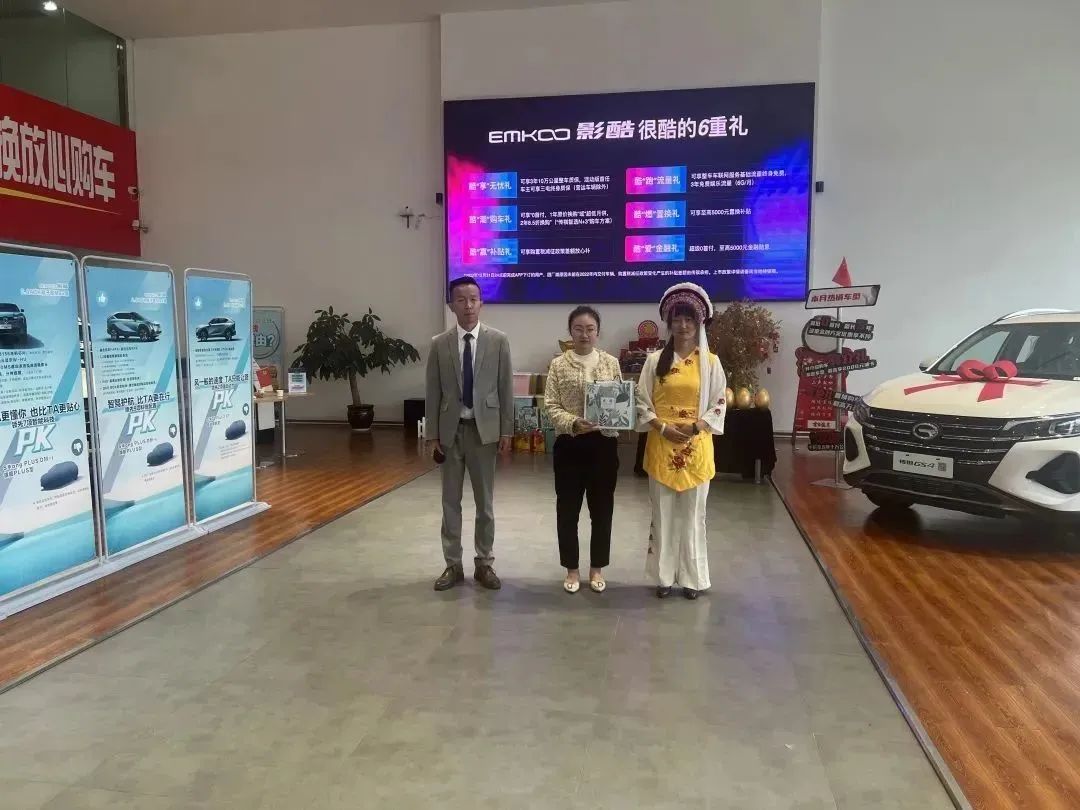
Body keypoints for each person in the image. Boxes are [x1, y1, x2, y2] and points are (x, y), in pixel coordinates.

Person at [636, 283, 727, 600]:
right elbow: (641, 401)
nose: (683, 325)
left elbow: (719, 402)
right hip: (661, 444)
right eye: (677, 319)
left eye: (689, 319)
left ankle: (693, 579)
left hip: (696, 445)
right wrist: (661, 427)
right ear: (669, 322)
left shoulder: (711, 363)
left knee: (693, 516)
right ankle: (663, 577)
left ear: (699, 322)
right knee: (661, 515)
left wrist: (696, 426)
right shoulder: (653, 361)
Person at [426, 276, 514, 591]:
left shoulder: (498, 340)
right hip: (450, 433)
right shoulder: (439, 343)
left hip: (483, 432)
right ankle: (452, 565)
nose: (468, 305)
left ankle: (484, 563)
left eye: (473, 299)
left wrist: (507, 430)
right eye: (461, 300)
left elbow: (505, 387)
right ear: (451, 305)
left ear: (481, 303)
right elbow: (433, 391)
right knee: (450, 502)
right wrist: (432, 434)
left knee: (484, 503)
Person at [544, 306, 622, 594]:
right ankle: (572, 569)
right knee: (567, 511)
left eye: (590, 329)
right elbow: (551, 405)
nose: (584, 334)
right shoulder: (558, 365)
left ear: (598, 332)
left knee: (602, 510)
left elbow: (621, 400)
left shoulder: (611, 363)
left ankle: (597, 568)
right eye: (578, 328)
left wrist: (618, 416)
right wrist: (574, 423)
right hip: (570, 445)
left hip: (603, 445)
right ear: (570, 332)